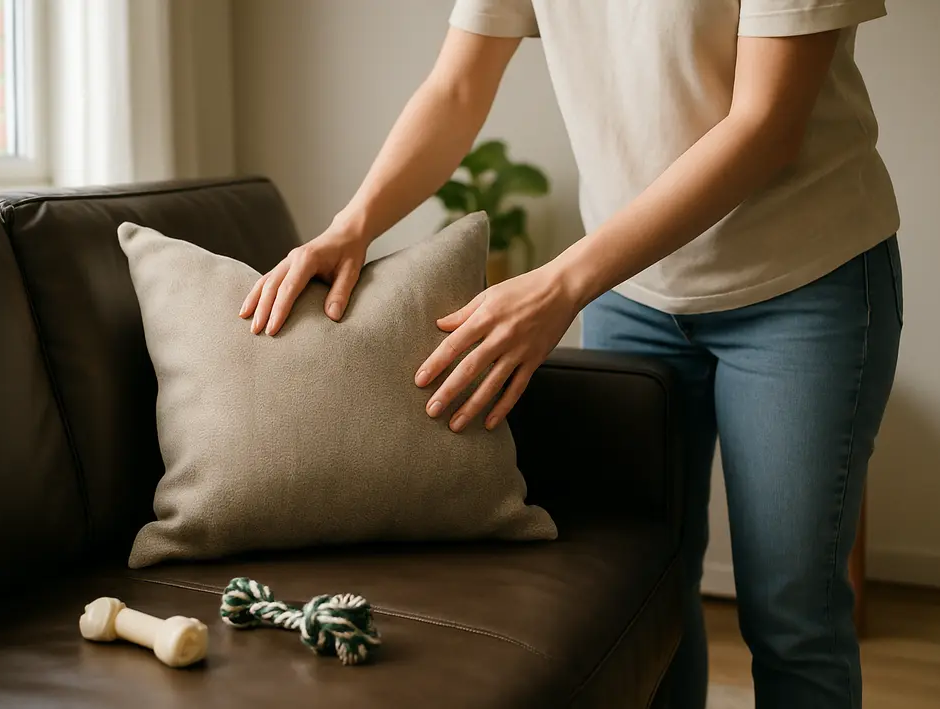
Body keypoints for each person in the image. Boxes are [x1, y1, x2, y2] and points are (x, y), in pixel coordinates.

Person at [239, 1, 902, 706]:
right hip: (632, 290)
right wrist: (353, 225)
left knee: (791, 616)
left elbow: (764, 123)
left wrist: (561, 284)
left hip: (800, 286)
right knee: (648, 594)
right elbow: (457, 87)